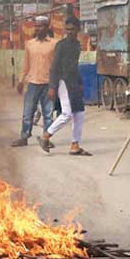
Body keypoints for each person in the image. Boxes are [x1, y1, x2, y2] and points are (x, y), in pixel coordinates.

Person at [38, 17, 91, 156]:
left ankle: (75, 145)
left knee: (79, 114)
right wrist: (52, 86)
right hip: (63, 82)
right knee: (67, 114)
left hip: (74, 82)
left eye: (72, 29)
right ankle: (46, 136)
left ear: (78, 30)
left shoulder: (77, 45)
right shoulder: (61, 45)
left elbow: (74, 67)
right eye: (67, 29)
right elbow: (54, 67)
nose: (70, 32)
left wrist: (80, 83)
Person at [11, 16, 58, 147]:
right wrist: (21, 80)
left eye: (41, 26)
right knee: (27, 112)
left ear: (47, 27)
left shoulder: (54, 44)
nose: (37, 28)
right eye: (36, 26)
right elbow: (26, 64)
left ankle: (46, 139)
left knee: (48, 114)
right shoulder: (30, 44)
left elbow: (57, 65)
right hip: (33, 83)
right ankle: (24, 137)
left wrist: (55, 85)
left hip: (48, 84)